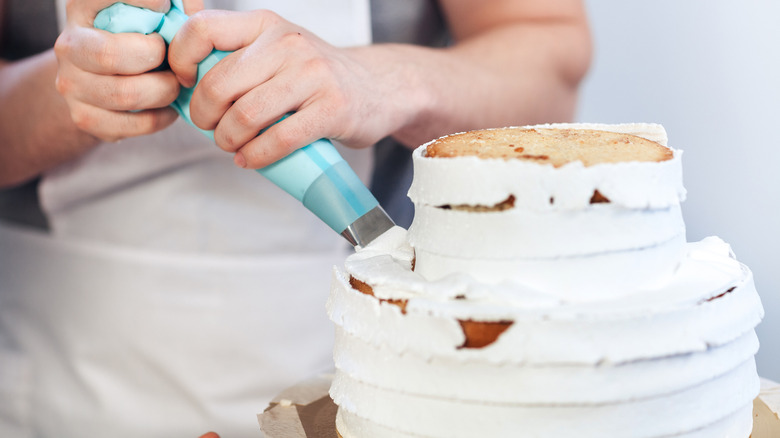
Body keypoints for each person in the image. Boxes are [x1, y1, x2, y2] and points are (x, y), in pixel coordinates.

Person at [0, 0, 591, 437]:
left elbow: (549, 65)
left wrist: (385, 81)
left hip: (372, 371)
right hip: (51, 383)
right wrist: (74, 89)